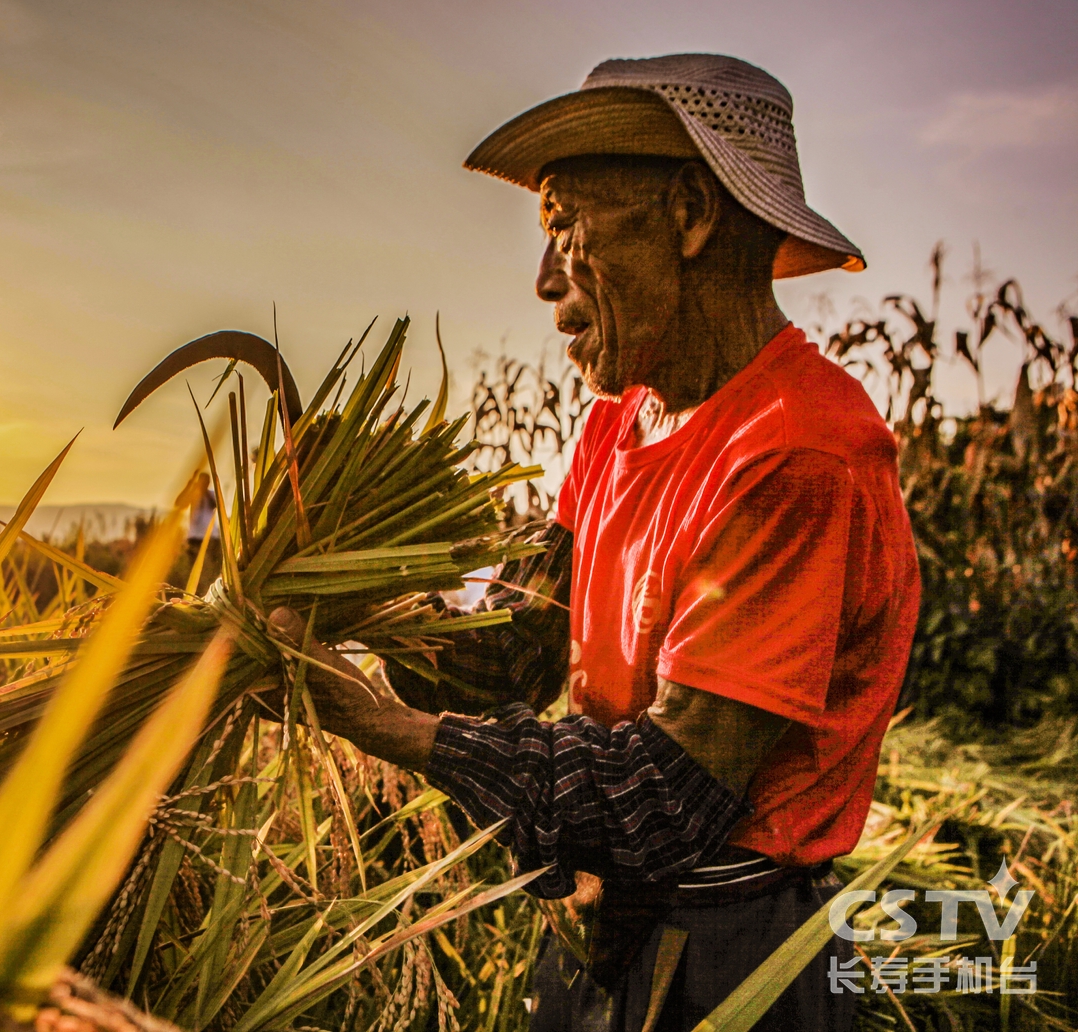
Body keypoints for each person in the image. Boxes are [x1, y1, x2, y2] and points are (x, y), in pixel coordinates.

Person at [267, 54, 921, 1031]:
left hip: (731, 952)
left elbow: (665, 800)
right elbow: (519, 637)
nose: (542, 280)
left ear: (691, 215)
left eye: (565, 228)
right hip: (598, 916)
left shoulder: (798, 452)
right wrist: (331, 601)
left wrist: (380, 724)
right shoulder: (618, 423)